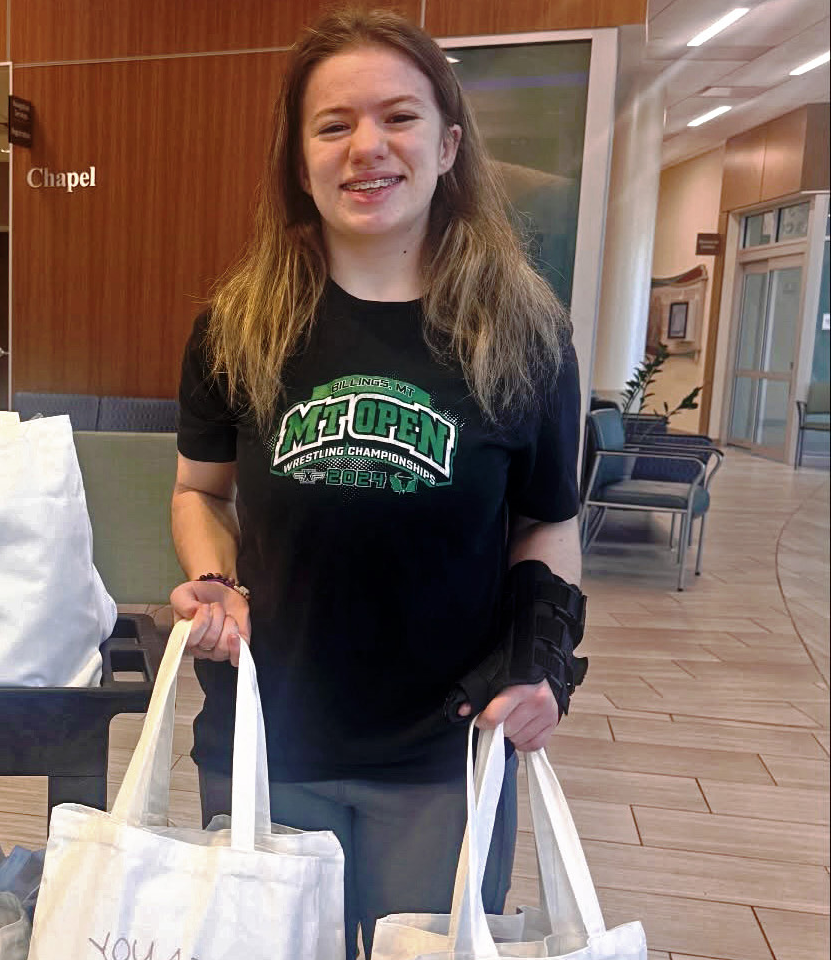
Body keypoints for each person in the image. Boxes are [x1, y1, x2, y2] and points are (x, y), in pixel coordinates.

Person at [170, 7, 587, 954]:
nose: (368, 147)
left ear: (447, 144)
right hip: (265, 741)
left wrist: (543, 659)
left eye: (398, 118)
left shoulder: (522, 332)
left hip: (447, 752)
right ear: (300, 156)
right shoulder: (238, 325)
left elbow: (547, 522)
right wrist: (217, 580)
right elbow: (200, 491)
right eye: (334, 124)